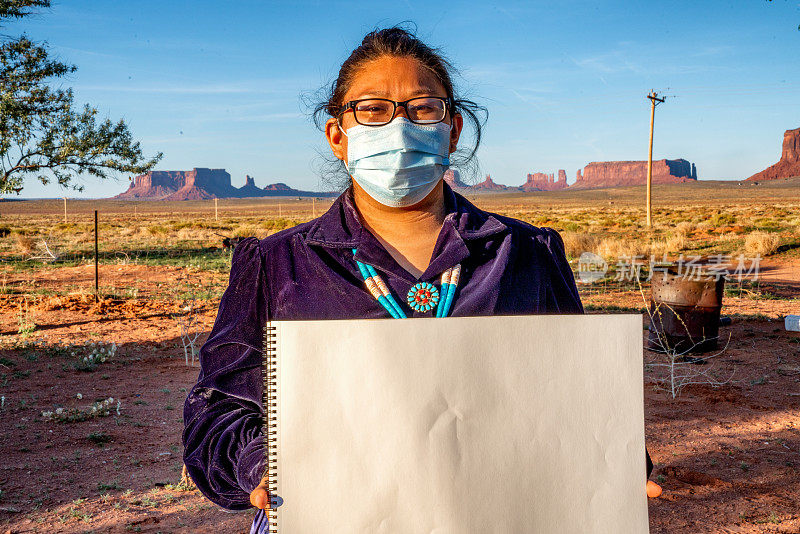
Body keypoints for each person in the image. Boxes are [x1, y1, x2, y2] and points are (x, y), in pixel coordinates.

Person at [182, 26, 657, 534]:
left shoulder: (527, 254)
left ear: (452, 129)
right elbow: (220, 412)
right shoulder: (276, 265)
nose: (399, 127)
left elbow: (575, 398)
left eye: (422, 108)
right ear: (338, 135)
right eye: (373, 108)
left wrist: (615, 461)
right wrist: (265, 466)